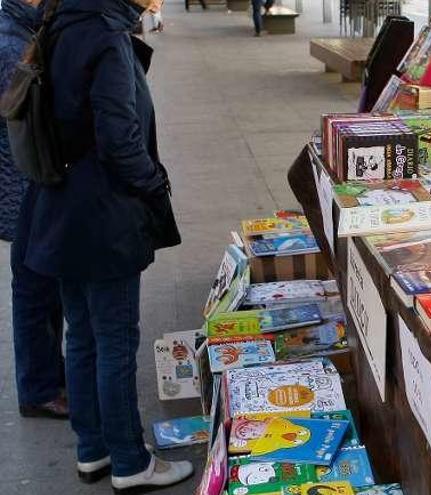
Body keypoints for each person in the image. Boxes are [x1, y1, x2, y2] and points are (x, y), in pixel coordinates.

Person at [17, 0, 191, 490]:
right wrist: (154, 183)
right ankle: (130, 460)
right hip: (103, 214)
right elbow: (120, 138)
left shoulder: (62, 24)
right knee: (114, 339)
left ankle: (94, 448)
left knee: (84, 334)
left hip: (63, 210)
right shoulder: (106, 37)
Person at [0, 0, 68, 419]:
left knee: (40, 285)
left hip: (27, 178)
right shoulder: (11, 40)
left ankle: (47, 379)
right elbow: (29, 116)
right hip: (23, 182)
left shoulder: (27, 26)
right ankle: (40, 389)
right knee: (34, 287)